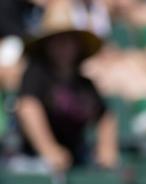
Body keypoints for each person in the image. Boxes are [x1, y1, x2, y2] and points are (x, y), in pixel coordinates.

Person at [14, 0, 118, 171]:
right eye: (57, 41)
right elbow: (27, 107)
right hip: (34, 159)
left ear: (77, 45)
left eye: (68, 41)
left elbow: (105, 116)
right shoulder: (36, 74)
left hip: (77, 160)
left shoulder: (84, 84)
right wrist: (49, 149)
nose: (63, 47)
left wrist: (106, 149)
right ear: (47, 44)